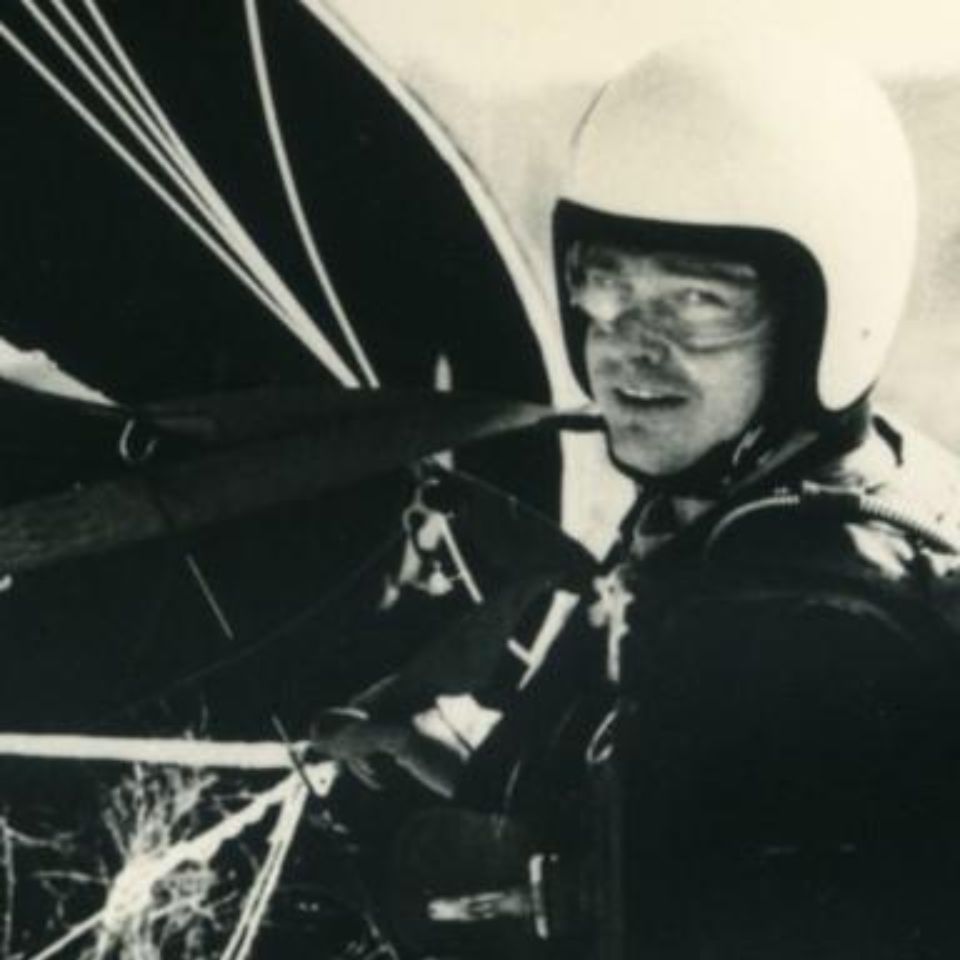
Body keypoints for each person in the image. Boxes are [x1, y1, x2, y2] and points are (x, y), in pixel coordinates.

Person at [313, 32, 960, 958]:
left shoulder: (805, 629)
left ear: (826, 313)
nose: (627, 346)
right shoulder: (768, 509)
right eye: (604, 284)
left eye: (698, 300)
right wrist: (446, 761)